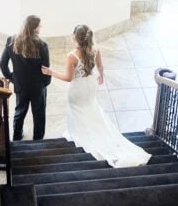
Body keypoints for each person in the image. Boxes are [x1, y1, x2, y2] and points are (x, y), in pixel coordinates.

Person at [41, 24, 151, 167]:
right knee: (90, 106)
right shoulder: (95, 50)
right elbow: (100, 66)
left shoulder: (72, 56)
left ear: (74, 37)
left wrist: (51, 72)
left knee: (78, 110)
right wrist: (101, 76)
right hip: (90, 85)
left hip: (78, 88)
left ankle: (77, 133)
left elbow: (69, 78)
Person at [0, 14, 51, 141]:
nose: (41, 27)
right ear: (34, 28)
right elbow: (46, 69)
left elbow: (2, 63)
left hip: (20, 84)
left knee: (19, 112)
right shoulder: (42, 45)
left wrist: (11, 77)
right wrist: (45, 83)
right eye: (39, 25)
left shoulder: (12, 40)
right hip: (37, 86)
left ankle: (16, 137)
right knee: (39, 114)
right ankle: (38, 139)